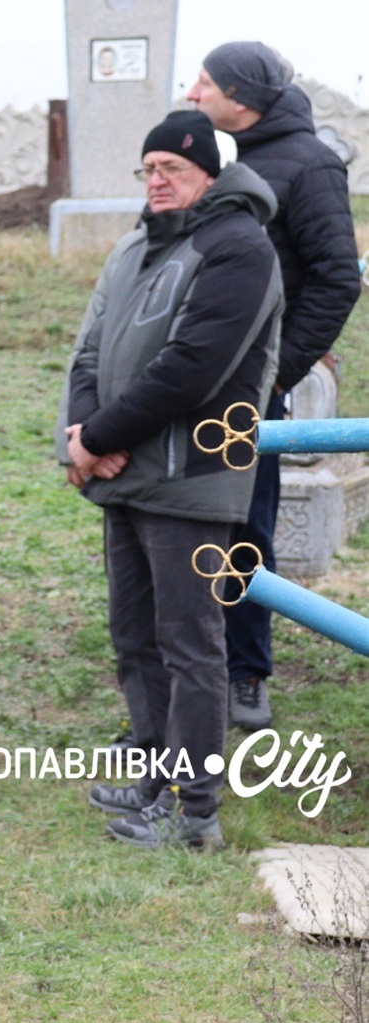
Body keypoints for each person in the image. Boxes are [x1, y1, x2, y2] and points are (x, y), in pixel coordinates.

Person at [66, 111, 282, 850]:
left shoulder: (239, 248)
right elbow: (90, 351)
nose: (157, 181)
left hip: (193, 477)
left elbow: (193, 370)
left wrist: (98, 438)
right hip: (127, 472)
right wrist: (84, 434)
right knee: (135, 636)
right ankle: (156, 780)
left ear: (209, 175)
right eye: (148, 168)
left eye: (173, 169)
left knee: (190, 644)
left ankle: (196, 814)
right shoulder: (136, 247)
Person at [186, 41, 361, 733]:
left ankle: (246, 673)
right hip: (187, 376)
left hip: (250, 390)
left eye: (206, 81)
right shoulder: (220, 150)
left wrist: (274, 376)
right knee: (179, 523)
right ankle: (187, 665)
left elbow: (336, 278)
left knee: (245, 527)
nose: (193, 90)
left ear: (243, 95)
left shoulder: (308, 162)